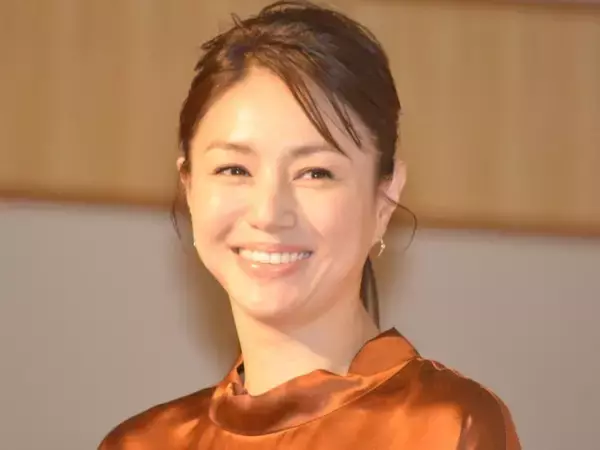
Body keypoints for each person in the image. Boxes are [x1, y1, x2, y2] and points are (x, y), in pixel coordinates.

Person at [98, 1, 521, 448]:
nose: (268, 213)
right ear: (188, 185)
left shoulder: (446, 427)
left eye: (315, 173)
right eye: (234, 169)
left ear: (385, 196)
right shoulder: (142, 443)